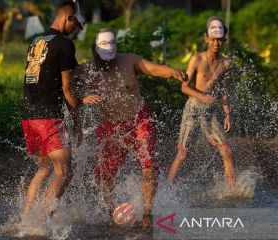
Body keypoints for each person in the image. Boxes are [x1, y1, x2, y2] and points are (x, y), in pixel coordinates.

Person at [74, 28, 187, 230]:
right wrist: (83, 98)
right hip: (110, 127)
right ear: (94, 49)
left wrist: (172, 72)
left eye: (110, 54)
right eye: (103, 55)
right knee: (103, 177)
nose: (107, 61)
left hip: (138, 120)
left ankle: (147, 214)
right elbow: (67, 88)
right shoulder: (86, 70)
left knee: (148, 165)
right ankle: (111, 214)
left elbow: (153, 69)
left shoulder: (129, 61)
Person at [20, 0, 84, 224]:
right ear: (70, 18)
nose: (75, 31)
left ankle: (25, 221)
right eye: (75, 26)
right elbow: (68, 89)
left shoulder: (35, 41)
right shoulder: (65, 45)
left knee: (45, 168)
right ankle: (40, 225)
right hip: (49, 116)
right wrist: (77, 123)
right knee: (64, 172)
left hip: (28, 116)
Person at [167, 16, 235, 191]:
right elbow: (184, 87)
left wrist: (227, 113)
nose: (216, 44)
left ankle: (231, 191)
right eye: (213, 40)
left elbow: (224, 90)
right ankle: (166, 189)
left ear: (224, 41)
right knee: (182, 154)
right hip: (193, 109)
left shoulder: (226, 64)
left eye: (220, 40)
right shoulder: (197, 59)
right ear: (206, 39)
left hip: (210, 111)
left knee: (226, 150)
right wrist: (202, 97)